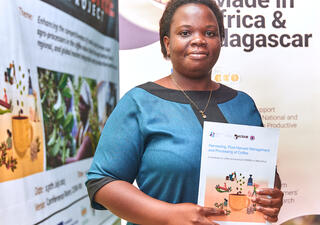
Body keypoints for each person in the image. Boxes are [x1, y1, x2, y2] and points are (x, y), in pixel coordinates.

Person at [86, 0, 284, 224]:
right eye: (185, 32)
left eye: (210, 32)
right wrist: (169, 216)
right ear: (167, 44)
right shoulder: (139, 102)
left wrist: (272, 197)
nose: (199, 40)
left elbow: (265, 174)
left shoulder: (243, 104)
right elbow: (102, 181)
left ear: (220, 41)